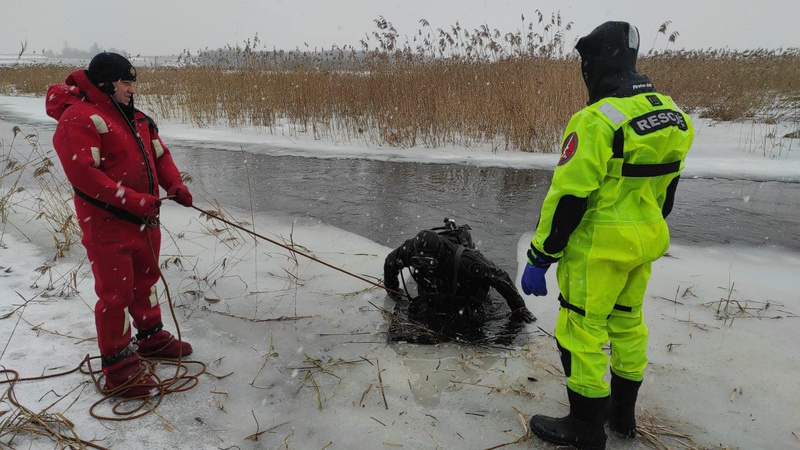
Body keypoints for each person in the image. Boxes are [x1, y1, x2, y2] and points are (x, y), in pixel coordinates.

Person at [519, 22, 694, 449]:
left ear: (596, 62)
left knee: (581, 328)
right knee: (628, 324)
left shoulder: (596, 120)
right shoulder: (674, 114)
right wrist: (642, 228)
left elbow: (568, 198)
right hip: (644, 243)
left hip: (598, 249)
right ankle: (622, 417)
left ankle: (584, 426)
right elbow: (665, 193)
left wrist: (542, 256)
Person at [46, 52, 194, 397]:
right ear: (105, 84)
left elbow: (159, 154)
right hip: (108, 223)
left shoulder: (137, 118)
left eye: (132, 82)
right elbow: (84, 174)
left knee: (146, 281)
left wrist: (174, 184)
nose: (131, 88)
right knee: (116, 295)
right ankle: (118, 367)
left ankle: (151, 338)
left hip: (144, 220)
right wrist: (132, 199)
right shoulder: (79, 119)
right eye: (126, 82)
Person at [384, 222, 536, 329]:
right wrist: (393, 291)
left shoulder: (467, 261)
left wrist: (519, 308)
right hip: (433, 285)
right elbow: (390, 263)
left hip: (462, 284)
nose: (424, 266)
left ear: (439, 255)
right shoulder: (409, 250)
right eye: (419, 261)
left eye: (429, 262)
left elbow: (499, 277)